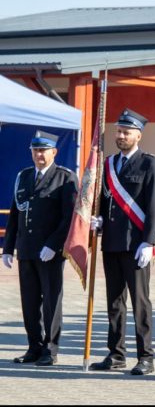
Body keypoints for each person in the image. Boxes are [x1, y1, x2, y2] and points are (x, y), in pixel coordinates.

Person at [89, 109, 155, 375]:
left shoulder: (149, 163)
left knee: (140, 302)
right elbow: (104, 199)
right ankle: (116, 353)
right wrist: (97, 220)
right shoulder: (108, 163)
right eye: (119, 131)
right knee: (114, 302)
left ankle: (146, 357)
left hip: (136, 245)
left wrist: (149, 241)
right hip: (111, 243)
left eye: (126, 132)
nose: (121, 136)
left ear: (138, 135)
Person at [2, 131, 78, 366]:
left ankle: (50, 349)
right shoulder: (23, 177)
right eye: (35, 150)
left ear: (54, 152)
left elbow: (69, 218)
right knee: (29, 301)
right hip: (26, 250)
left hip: (49, 252)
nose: (39, 155)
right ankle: (33, 347)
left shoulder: (65, 178)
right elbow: (16, 214)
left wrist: (53, 245)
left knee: (51, 303)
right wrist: (8, 246)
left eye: (43, 150)